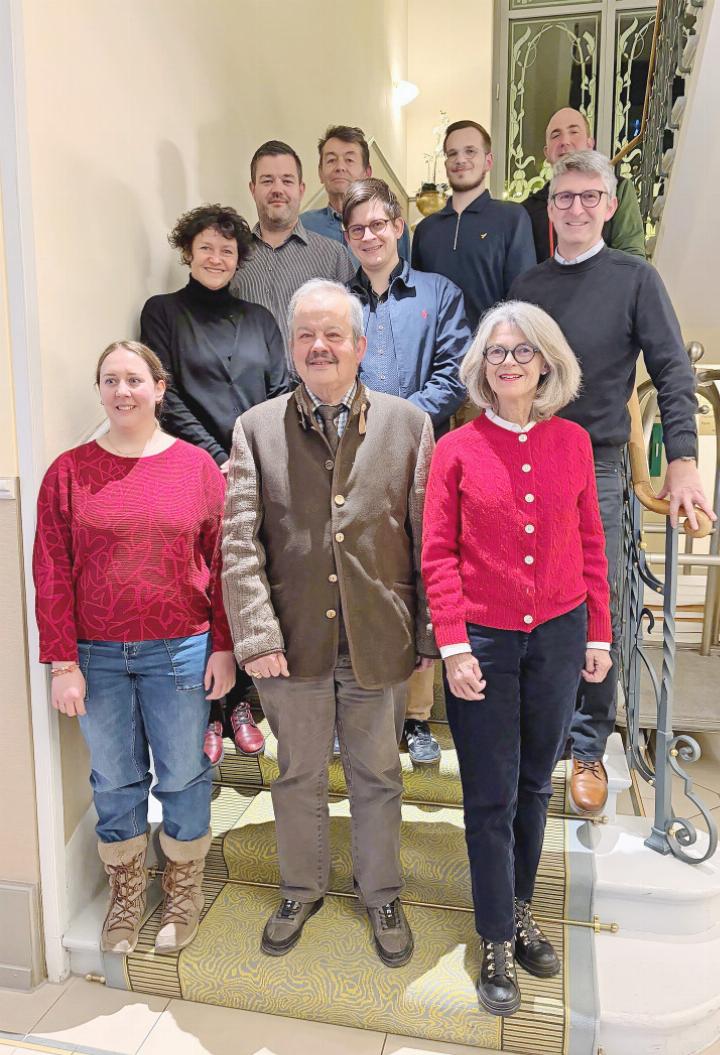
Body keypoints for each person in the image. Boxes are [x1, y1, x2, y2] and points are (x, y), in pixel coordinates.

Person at [221, 279, 436, 967]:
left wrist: (430, 635)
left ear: (360, 346)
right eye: (307, 335)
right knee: (298, 773)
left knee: (378, 775)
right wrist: (255, 635)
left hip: (379, 636)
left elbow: (427, 535)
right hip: (293, 644)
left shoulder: (409, 424)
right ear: (291, 347)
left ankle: (380, 890)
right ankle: (300, 885)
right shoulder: (256, 428)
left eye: (333, 334)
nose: (320, 346)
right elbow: (238, 544)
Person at [510, 150, 715, 813]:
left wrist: (681, 459)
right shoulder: (530, 285)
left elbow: (673, 371)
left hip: (595, 462)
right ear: (550, 207)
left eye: (589, 197)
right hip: (528, 454)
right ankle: (538, 733)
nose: (575, 208)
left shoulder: (636, 278)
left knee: (599, 602)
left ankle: (590, 741)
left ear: (608, 204)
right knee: (529, 599)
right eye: (564, 198)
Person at [422, 301, 612, 1016]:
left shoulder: (573, 442)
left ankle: (524, 904)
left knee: (536, 785)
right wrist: (453, 644)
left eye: (521, 351)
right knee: (490, 794)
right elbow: (437, 553)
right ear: (481, 366)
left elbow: (590, 540)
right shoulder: (455, 450)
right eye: (496, 352)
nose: (508, 362)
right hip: (485, 643)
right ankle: (496, 932)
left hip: (560, 636)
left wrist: (598, 632)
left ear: (545, 362)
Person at [33, 341, 236, 957]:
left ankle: (181, 887)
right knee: (116, 780)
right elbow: (51, 569)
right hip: (96, 658)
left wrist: (224, 648)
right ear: (99, 392)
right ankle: (126, 889)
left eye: (134, 379)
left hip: (180, 650)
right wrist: (62, 662)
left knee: (181, 775)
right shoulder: (67, 473)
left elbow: (226, 561)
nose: (122, 391)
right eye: (110, 380)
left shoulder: (197, 467)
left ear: (159, 387)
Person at [141, 204, 290, 764]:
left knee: (253, 583)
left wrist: (248, 454)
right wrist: (216, 456)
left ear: (239, 260)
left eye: (227, 250)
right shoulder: (163, 312)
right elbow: (166, 391)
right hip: (193, 471)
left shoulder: (259, 319)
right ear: (187, 252)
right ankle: (210, 710)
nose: (217, 257)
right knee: (204, 588)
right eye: (207, 247)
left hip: (259, 469)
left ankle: (243, 703)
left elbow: (280, 387)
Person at [344, 177, 469, 763]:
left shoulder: (438, 292)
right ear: (347, 237)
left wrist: (393, 422)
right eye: (357, 228)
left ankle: (417, 717)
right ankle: (359, 710)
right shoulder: (337, 302)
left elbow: (455, 370)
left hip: (424, 459)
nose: (370, 235)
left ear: (399, 226)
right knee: (359, 578)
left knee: (423, 577)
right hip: (350, 463)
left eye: (378, 224)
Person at [411, 119, 536, 331]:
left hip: (493, 355)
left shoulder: (512, 218)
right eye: (452, 153)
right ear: (446, 164)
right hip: (438, 358)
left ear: (488, 161)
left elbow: (523, 302)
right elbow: (417, 303)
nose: (460, 159)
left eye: (470, 151)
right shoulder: (426, 229)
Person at [231, 140, 355, 350]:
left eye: (287, 181)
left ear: (301, 189)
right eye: (267, 181)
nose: (277, 189)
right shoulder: (232, 256)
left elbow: (352, 331)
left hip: (314, 381)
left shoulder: (334, 256)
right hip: (248, 383)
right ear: (253, 189)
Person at [522, 107, 646, 262]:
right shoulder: (528, 210)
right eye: (556, 135)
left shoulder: (617, 190)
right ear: (547, 153)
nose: (564, 141)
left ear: (590, 144)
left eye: (574, 132)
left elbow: (632, 261)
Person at [301, 124, 411, 261]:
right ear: (320, 173)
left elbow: (402, 278)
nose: (340, 167)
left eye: (349, 160)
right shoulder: (303, 225)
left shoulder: (391, 225)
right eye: (331, 160)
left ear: (367, 173)